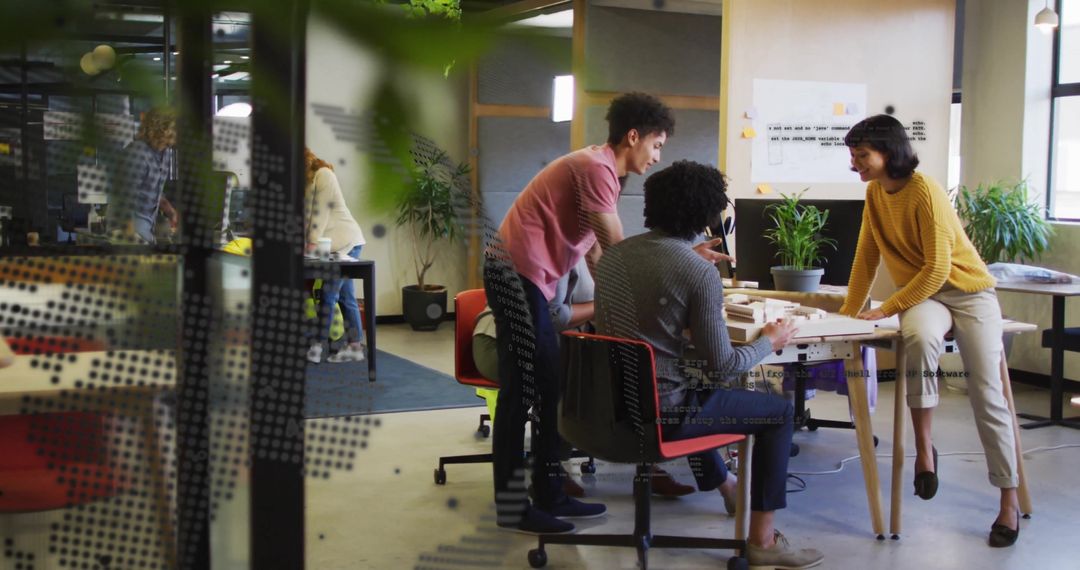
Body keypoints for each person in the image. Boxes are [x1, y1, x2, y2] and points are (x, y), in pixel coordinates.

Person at [483, 92, 728, 535]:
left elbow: (599, 254)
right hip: (516, 276)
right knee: (525, 392)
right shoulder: (597, 167)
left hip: (525, 278)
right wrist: (683, 260)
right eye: (656, 145)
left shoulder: (600, 171)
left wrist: (619, 302)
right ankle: (512, 507)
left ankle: (550, 494)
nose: (657, 156)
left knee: (551, 388)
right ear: (633, 136)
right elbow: (620, 252)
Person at [593, 160, 824, 569]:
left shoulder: (613, 257)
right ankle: (763, 541)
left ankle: (728, 486)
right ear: (706, 214)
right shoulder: (699, 272)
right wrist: (770, 341)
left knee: (697, 390)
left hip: (607, 410)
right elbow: (724, 368)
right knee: (777, 412)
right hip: (663, 416)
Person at [839, 114, 1021, 547]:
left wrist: (885, 308)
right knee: (919, 339)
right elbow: (866, 257)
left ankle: (1008, 498)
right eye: (853, 156)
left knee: (987, 391)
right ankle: (924, 450)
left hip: (968, 292)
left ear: (889, 152)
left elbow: (938, 269)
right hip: (925, 297)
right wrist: (848, 314)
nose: (855, 164)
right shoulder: (874, 193)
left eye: (862, 155)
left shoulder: (924, 190)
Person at [304, 148, 367, 364]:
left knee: (328, 293)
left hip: (347, 243)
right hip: (331, 247)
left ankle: (317, 346)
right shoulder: (307, 183)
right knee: (346, 297)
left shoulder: (324, 175)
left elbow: (320, 214)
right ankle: (355, 346)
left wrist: (310, 243)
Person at [109, 106, 179, 244]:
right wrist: (129, 237)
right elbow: (125, 197)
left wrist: (169, 210)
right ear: (162, 129)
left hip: (145, 231)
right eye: (174, 128)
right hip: (126, 230)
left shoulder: (165, 154)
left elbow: (152, 189)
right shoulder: (137, 152)